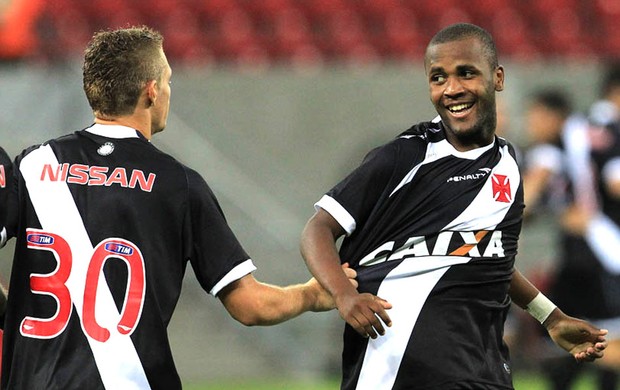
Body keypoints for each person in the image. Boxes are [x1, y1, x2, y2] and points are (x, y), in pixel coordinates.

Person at [0, 26, 365, 390]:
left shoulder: (34, 164)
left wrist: (10, 308)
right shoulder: (177, 183)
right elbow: (250, 306)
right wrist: (310, 294)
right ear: (151, 91)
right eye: (168, 80)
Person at [300, 23, 607, 389]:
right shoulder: (404, 156)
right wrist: (344, 295)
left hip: (483, 370)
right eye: (438, 78)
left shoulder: (508, 164)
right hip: (396, 371)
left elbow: (489, 258)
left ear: (497, 78)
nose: (452, 89)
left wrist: (551, 317)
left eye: (466, 73)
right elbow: (317, 229)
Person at [519, 89, 620, 389]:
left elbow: (529, 193)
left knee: (592, 341)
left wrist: (499, 215)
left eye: (535, 116)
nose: (531, 124)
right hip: (589, 256)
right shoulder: (587, 137)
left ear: (553, 116)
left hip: (597, 255)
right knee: (583, 340)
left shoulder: (556, 145)